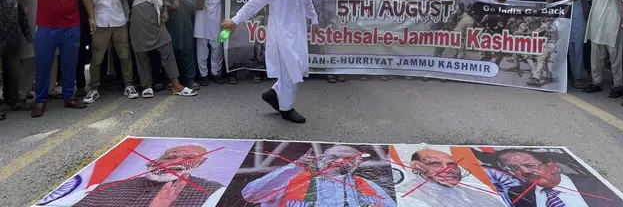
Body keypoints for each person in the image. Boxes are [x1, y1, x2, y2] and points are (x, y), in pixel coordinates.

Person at [221, 0, 317, 123]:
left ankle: (273, 93)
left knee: (299, 68)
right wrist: (235, 20)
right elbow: (257, 1)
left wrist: (315, 20)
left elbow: (307, 1)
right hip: (280, 32)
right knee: (290, 71)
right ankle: (286, 109)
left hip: (298, 32)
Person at [12, 0, 96, 117]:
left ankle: (69, 97)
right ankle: (40, 101)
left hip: (71, 27)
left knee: (70, 64)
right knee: (43, 65)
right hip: (46, 28)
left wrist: (91, 17)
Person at [120, 0, 197, 99]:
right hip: (139, 12)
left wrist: (166, 10)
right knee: (140, 51)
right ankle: (146, 85)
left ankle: (176, 84)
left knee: (166, 46)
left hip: (156, 12)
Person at [53, 144, 226, 206]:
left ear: (200, 163)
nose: (174, 162)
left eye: (187, 158)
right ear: (154, 160)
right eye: (170, 157)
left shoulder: (213, 192)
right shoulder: (102, 188)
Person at [242, 145, 396, 206]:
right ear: (321, 158)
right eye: (334, 157)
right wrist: (294, 168)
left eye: (349, 159)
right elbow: (251, 194)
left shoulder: (366, 185)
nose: (341, 161)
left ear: (358, 164)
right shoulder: (294, 177)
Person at [83, 0, 136, 103]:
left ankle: (129, 84)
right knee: (97, 57)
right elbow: (93, 0)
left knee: (125, 55)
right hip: (100, 21)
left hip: (119, 20)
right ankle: (94, 88)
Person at [498, 149, 623, 207]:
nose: (525, 171)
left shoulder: (596, 185)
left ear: (553, 166)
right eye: (514, 169)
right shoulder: (517, 193)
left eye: (531, 165)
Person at [396, 147, 504, 207]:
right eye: (435, 164)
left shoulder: (484, 197)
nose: (448, 170)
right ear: (417, 167)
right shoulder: (403, 197)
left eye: (452, 165)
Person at [193, 0, 232, 85]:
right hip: (202, 9)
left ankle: (216, 72)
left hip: (217, 9)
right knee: (202, 43)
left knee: (217, 42)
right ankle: (203, 74)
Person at [0, 0, 32, 112]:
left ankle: (13, 99)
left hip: (12, 42)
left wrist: (28, 35)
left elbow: (22, 19)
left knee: (14, 73)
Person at [166, 0, 199, 90]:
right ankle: (174, 79)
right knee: (173, 52)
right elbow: (163, 4)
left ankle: (189, 79)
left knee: (187, 51)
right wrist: (171, 5)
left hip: (185, 24)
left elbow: (194, 6)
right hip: (172, 25)